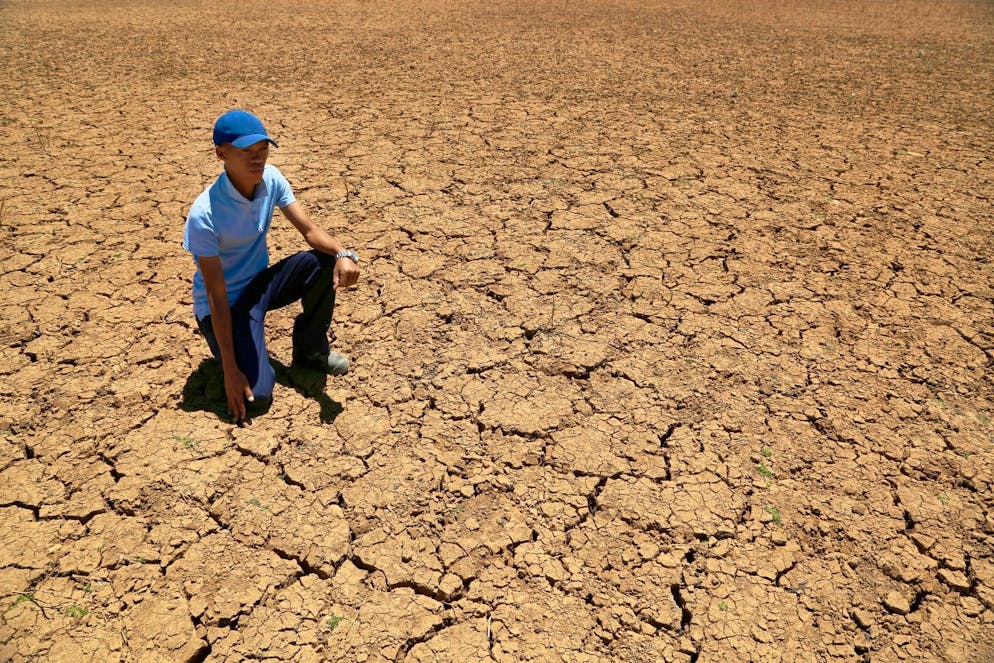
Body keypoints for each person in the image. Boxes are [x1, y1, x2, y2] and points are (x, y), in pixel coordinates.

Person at [182, 109, 361, 424]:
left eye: (262, 150)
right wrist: (230, 370)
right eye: (246, 152)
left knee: (323, 262)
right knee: (258, 397)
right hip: (222, 306)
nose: (257, 159)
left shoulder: (272, 179)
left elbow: (310, 232)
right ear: (220, 153)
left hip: (260, 286)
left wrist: (343, 253)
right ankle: (230, 357)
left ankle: (310, 352)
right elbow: (217, 295)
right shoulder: (204, 214)